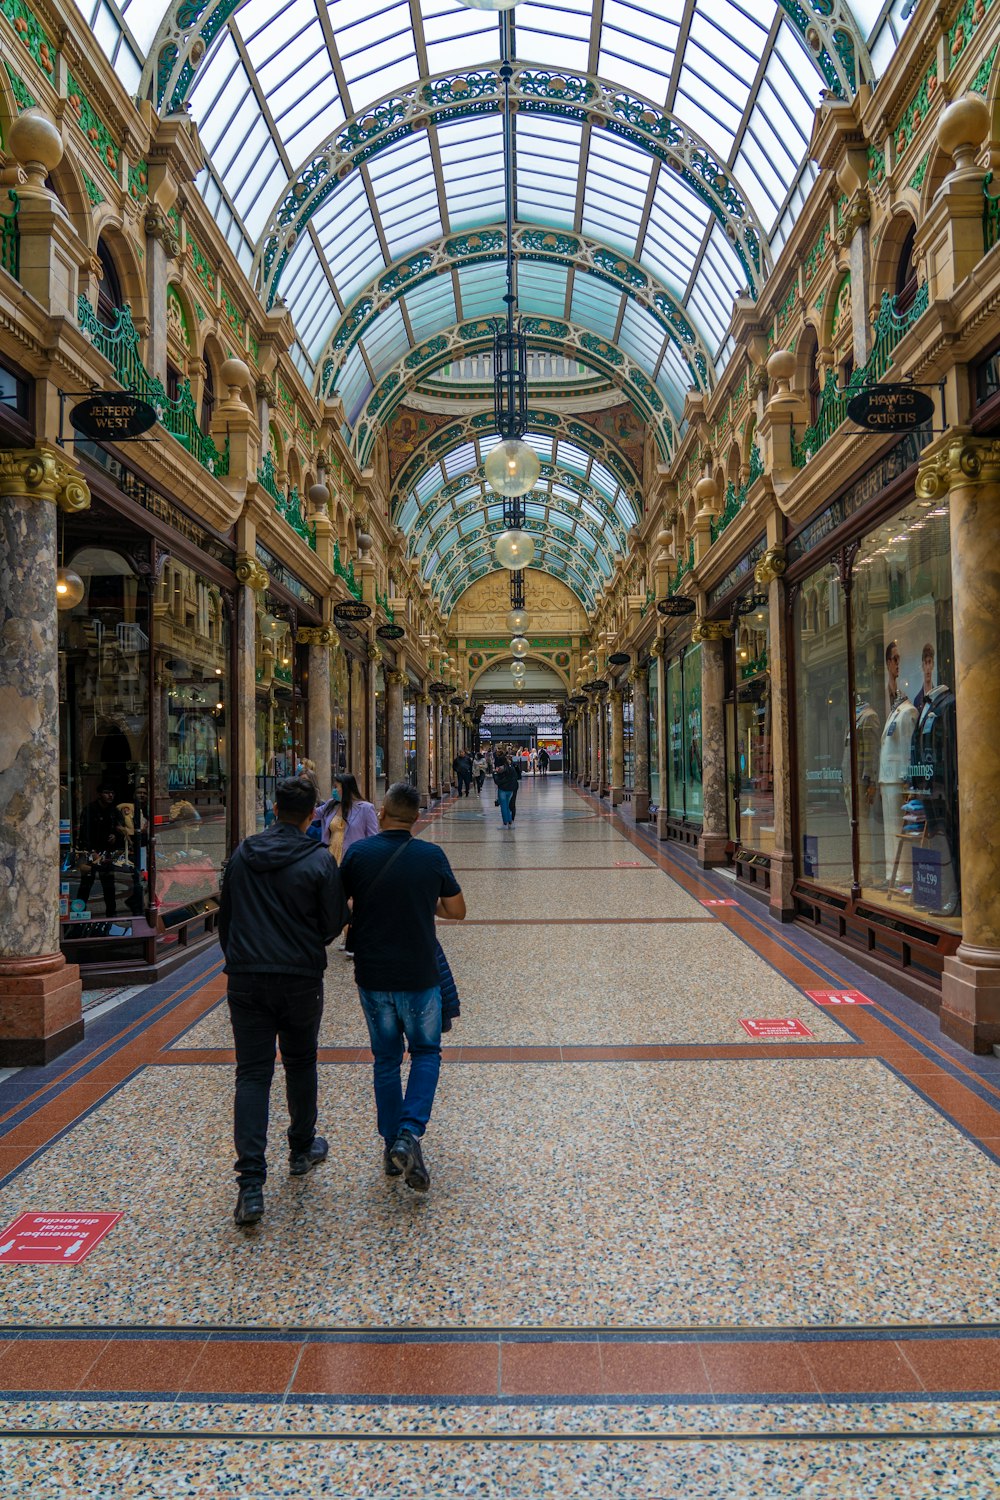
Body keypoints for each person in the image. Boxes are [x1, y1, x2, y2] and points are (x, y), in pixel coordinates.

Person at [219, 774, 347, 1228]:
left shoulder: (242, 855)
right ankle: (300, 1148)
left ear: (275, 810)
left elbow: (226, 916)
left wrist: (241, 956)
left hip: (247, 979)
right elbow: (333, 922)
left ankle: (251, 1186)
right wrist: (305, 944)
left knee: (252, 1075)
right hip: (299, 978)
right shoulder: (317, 861)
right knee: (300, 1062)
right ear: (312, 814)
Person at [339, 782, 466, 1190]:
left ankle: (391, 1145)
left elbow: (340, 905)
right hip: (419, 972)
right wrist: (421, 900)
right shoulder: (430, 855)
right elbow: (457, 911)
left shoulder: (358, 853)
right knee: (426, 1052)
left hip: (374, 975)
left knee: (386, 1059)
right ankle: (409, 1133)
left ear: (382, 811)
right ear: (416, 817)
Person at [76, 784, 126, 916]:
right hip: (91, 852)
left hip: (107, 853)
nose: (110, 795)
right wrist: (90, 850)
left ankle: (112, 914)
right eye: (107, 792)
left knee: (109, 886)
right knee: (85, 885)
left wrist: (115, 836)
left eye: (112, 793)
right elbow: (83, 832)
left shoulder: (114, 811)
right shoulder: (90, 810)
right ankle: (78, 913)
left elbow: (122, 829)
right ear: (99, 794)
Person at [493, 753, 518, 827]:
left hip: (502, 790)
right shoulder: (512, 768)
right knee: (508, 805)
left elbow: (497, 781)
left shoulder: (500, 770)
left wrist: (494, 774)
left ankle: (505, 822)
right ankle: (510, 820)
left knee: (503, 806)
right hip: (510, 790)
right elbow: (516, 777)